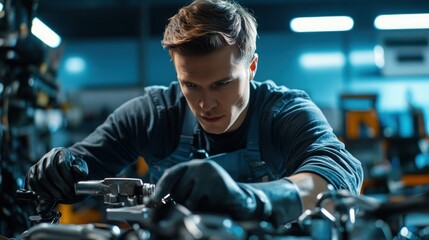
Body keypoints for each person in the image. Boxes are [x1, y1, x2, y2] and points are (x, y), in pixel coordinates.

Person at [25, 0, 363, 226]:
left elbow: (339, 177)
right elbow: (82, 166)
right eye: (191, 86)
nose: (205, 104)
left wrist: (251, 199)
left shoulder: (285, 114)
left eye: (221, 84)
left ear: (252, 67)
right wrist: (60, 169)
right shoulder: (154, 115)